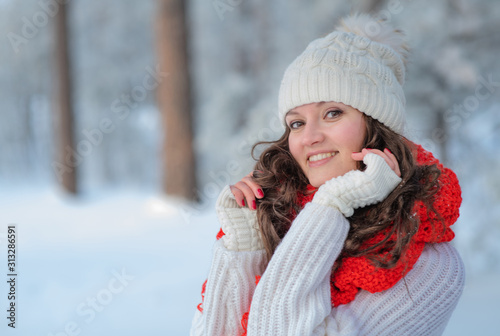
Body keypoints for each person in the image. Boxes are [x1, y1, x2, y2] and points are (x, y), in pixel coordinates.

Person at [190, 13, 464, 336]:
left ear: (376, 126)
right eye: (297, 123)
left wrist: (334, 203)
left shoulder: (428, 264)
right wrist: (243, 248)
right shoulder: (278, 218)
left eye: (332, 113)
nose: (309, 137)